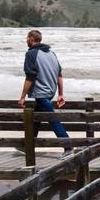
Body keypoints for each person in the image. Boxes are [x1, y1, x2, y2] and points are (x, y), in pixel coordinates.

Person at [17, 29, 70, 157]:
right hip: (51, 91)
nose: (26, 41)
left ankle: (68, 146)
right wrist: (60, 94)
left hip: (41, 93)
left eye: (27, 38)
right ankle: (27, 145)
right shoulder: (52, 53)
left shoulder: (31, 54)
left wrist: (22, 97)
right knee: (36, 119)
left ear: (31, 39)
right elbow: (59, 75)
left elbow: (30, 76)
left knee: (53, 119)